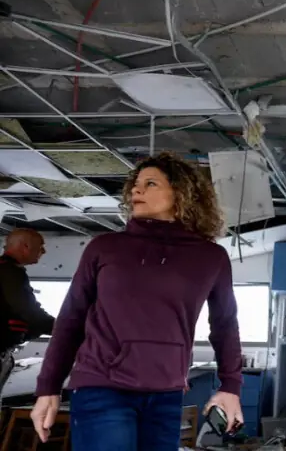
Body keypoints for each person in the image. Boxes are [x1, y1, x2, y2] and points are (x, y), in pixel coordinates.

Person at [31, 152, 244, 451]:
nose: (136, 189)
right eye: (135, 184)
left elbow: (225, 325)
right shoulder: (105, 248)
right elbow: (71, 319)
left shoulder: (212, 258)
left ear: (181, 193)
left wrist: (231, 386)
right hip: (102, 388)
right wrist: (48, 387)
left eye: (151, 183)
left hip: (166, 394)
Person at [0, 228, 54, 397]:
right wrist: (68, 330)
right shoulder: (10, 272)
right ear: (25, 247)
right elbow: (30, 313)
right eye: (41, 247)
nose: (44, 251)